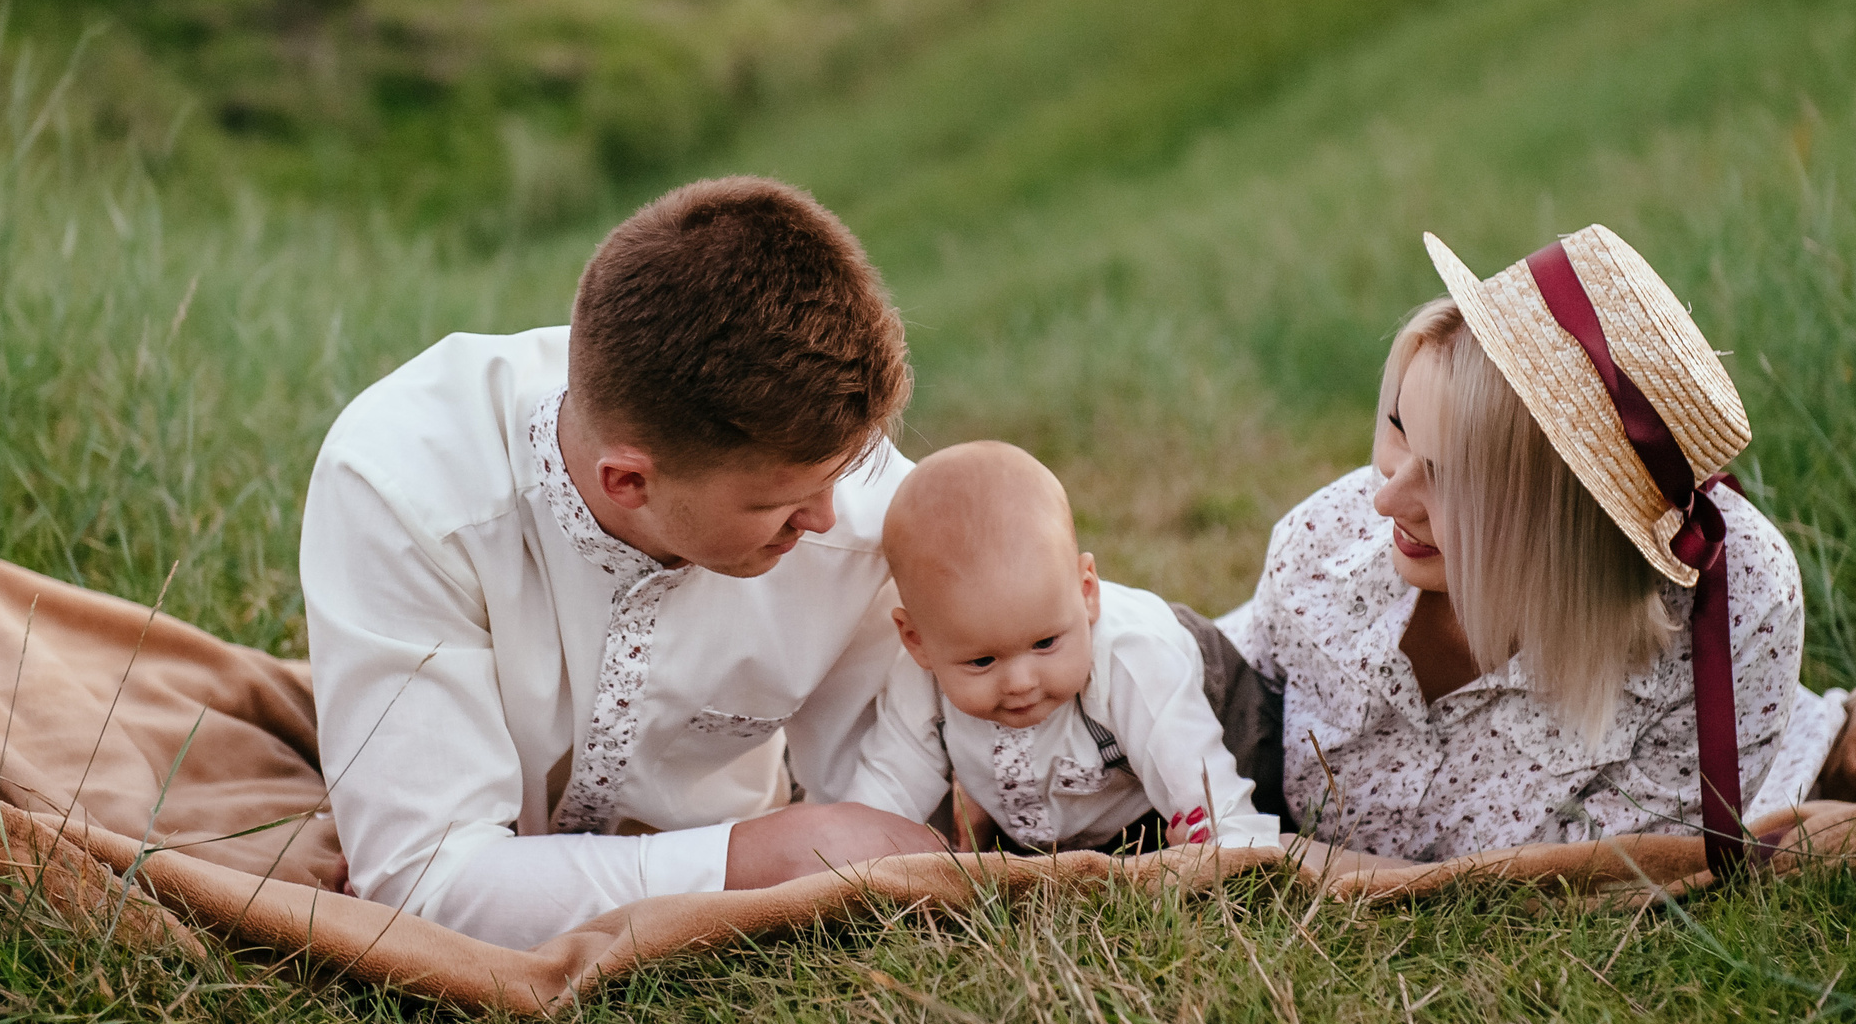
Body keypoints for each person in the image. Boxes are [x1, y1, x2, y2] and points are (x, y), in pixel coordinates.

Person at [300, 177, 944, 948]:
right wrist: (758, 859)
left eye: (844, 474)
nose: (825, 519)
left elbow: (913, 797)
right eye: (782, 503)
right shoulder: (402, 486)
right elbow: (424, 892)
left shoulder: (878, 515)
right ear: (629, 481)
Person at [1210, 225, 1845, 866]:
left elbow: (1603, 879)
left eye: (1451, 477)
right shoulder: (1323, 551)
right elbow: (1211, 687)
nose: (1386, 500)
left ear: (1565, 524)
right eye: (1399, 426)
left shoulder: (1724, 623)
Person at [846, 442, 1282, 853]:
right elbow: (885, 796)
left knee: (1242, 815)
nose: (1020, 682)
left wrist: (1220, 837)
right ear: (917, 640)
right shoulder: (919, 682)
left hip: (1215, 732)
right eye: (982, 661)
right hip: (1070, 818)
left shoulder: (1133, 659)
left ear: (1086, 591)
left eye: (1045, 643)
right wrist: (851, 856)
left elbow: (1207, 789)